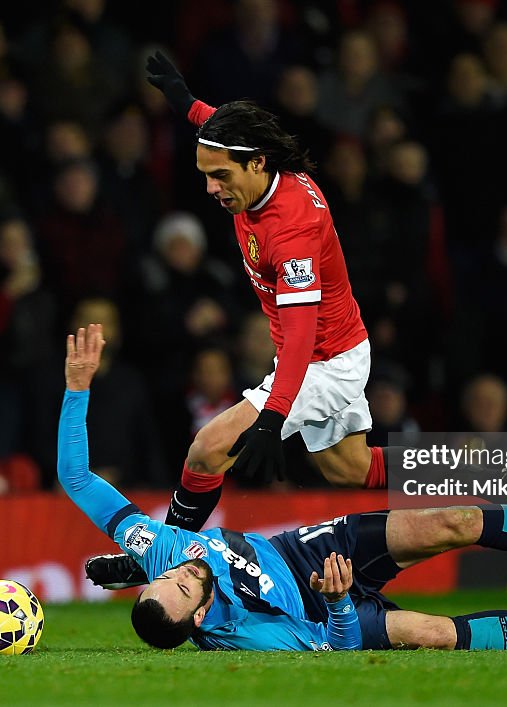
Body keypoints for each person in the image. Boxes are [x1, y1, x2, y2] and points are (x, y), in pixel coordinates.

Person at [63, 324, 507, 652]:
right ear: (199, 622)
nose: (183, 572)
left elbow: (77, 478)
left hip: (306, 551)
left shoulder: (164, 552)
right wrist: (341, 601)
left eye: (166, 577)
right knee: (433, 634)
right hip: (330, 608)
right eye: (182, 588)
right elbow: (336, 646)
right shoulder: (250, 635)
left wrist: (78, 387)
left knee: (451, 521)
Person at [144, 51, 399, 532]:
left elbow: (301, 338)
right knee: (350, 469)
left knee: (207, 449)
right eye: (205, 175)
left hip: (323, 360)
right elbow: (219, 130)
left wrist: (270, 419)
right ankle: (479, 466)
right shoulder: (257, 169)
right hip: (332, 346)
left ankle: (160, 553)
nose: (211, 188)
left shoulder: (291, 232)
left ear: (256, 164)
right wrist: (183, 101)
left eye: (220, 176)